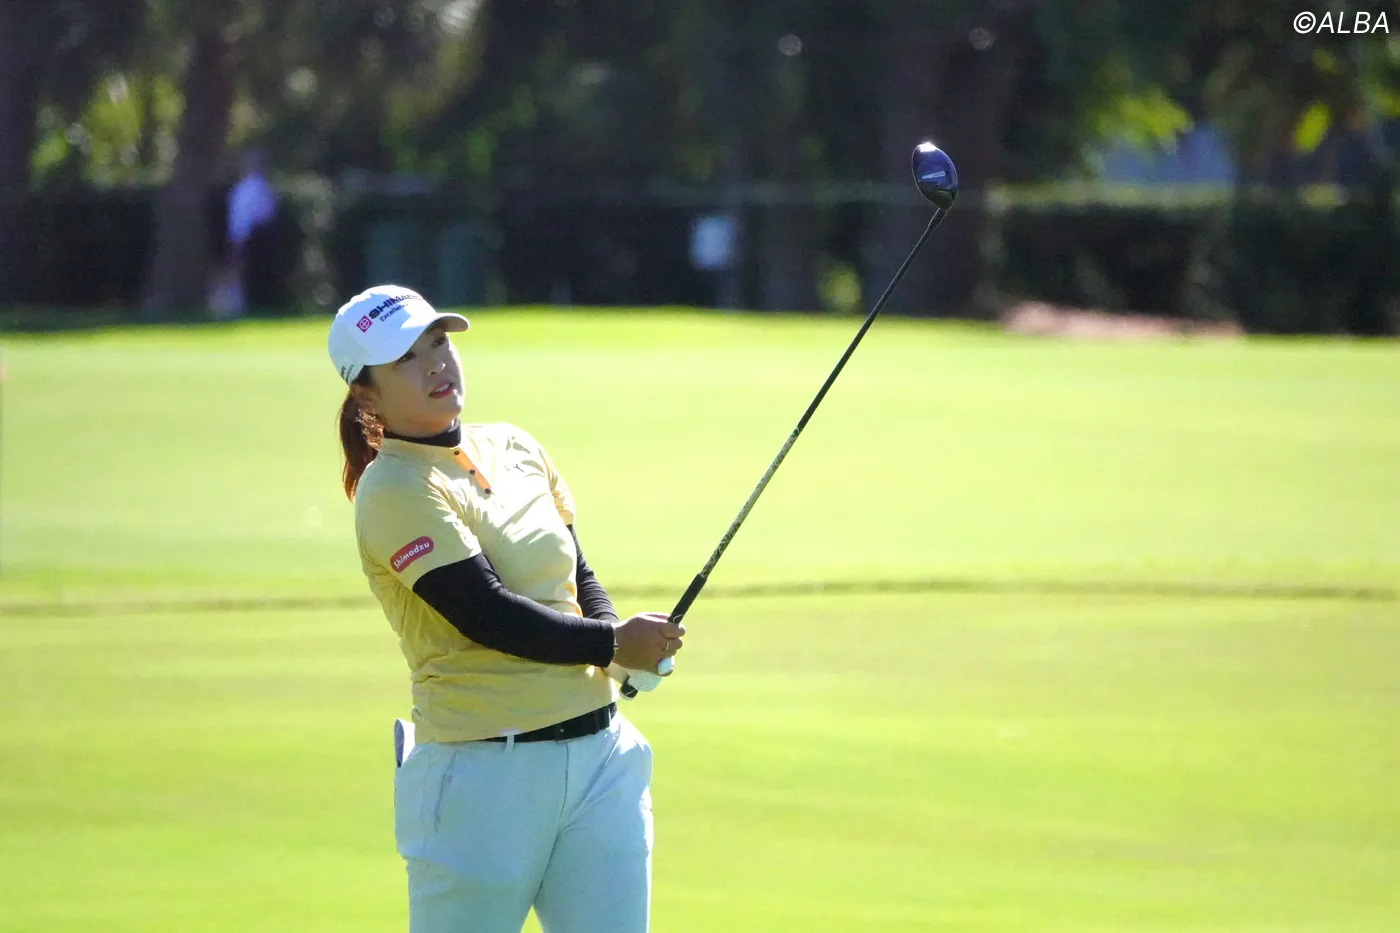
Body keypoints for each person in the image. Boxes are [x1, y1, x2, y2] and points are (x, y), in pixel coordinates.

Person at [327, 285, 684, 933]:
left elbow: (577, 574)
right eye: (406, 358)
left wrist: (623, 649)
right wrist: (612, 644)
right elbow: (486, 613)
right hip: (482, 778)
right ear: (366, 395)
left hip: (601, 760)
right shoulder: (394, 487)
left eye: (438, 342)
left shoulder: (515, 445)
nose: (436, 363)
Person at [219, 150, 279, 317]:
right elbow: (245, 217)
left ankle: (255, 305)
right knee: (250, 273)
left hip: (253, 236)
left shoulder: (251, 187)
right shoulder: (251, 188)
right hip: (253, 237)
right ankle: (249, 305)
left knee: (252, 273)